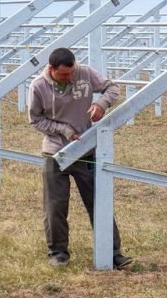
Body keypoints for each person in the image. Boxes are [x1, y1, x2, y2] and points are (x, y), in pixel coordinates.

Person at [28, 47, 133, 269]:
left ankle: (113, 253)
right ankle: (58, 253)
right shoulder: (38, 86)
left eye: (71, 72)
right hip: (55, 152)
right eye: (63, 75)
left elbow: (112, 87)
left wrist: (101, 104)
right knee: (55, 206)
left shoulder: (84, 73)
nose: (69, 77)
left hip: (86, 150)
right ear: (51, 69)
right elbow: (35, 120)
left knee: (99, 202)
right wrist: (64, 130)